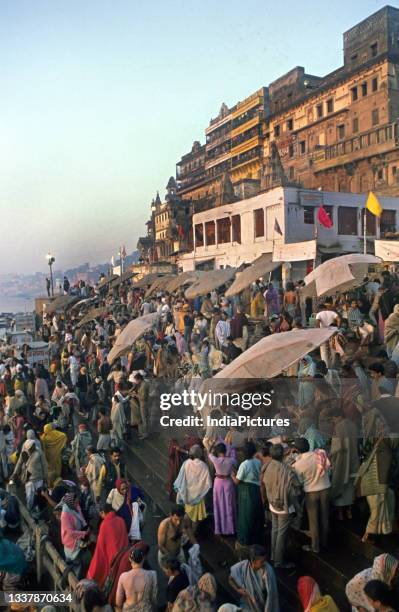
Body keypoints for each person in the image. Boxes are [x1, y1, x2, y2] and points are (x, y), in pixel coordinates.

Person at [262, 444, 300, 569]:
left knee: (275, 530)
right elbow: (296, 488)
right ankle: (279, 561)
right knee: (281, 535)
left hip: (272, 503)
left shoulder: (267, 466)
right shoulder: (287, 471)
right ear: (283, 454)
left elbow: (262, 484)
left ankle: (273, 555)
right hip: (284, 506)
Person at [292, 438, 331, 554]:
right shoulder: (320, 454)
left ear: (297, 450)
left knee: (313, 521)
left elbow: (299, 482)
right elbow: (328, 468)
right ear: (309, 445)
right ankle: (325, 542)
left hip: (311, 492)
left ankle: (315, 547)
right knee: (325, 517)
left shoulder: (298, 464)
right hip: (326, 489)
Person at [87, 502, 129, 589]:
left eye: (100, 513)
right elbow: (125, 539)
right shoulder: (121, 520)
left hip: (112, 561)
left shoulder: (104, 525)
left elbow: (100, 549)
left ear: (103, 512)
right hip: (124, 557)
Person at [229, 545, 279, 612]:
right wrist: (238, 589)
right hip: (248, 603)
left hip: (263, 604)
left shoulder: (268, 571)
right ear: (253, 561)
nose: (264, 563)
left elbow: (271, 596)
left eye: (265, 560)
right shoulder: (243, 566)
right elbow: (230, 578)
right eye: (261, 561)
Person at [329, 408, 359, 520]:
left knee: (340, 487)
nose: (333, 421)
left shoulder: (338, 427)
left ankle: (341, 514)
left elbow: (336, 447)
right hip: (353, 460)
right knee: (350, 488)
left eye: (333, 419)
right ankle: (349, 512)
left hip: (342, 461)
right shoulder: (353, 425)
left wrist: (330, 456)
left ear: (338, 417)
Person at [174, 445, 212, 530]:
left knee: (187, 515)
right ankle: (192, 535)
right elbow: (208, 484)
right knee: (195, 519)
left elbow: (180, 479)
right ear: (200, 454)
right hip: (198, 497)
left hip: (187, 495)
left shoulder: (186, 463)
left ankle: (186, 533)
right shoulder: (204, 466)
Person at [233, 441, 263, 547]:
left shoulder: (244, 464)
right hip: (256, 489)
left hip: (246, 491)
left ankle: (245, 540)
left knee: (245, 516)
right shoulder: (258, 462)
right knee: (255, 514)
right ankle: (256, 539)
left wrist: (233, 475)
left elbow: (237, 481)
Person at [115, 547, 158, 611]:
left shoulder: (123, 577)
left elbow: (118, 603)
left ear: (130, 559)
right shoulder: (152, 574)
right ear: (143, 559)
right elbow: (154, 600)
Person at [208, 442, 236, 536]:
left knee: (218, 505)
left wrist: (212, 445)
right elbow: (234, 455)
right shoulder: (231, 461)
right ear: (225, 451)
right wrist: (230, 449)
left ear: (218, 451)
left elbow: (209, 453)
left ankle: (219, 529)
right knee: (229, 505)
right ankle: (230, 529)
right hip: (228, 482)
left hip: (218, 483)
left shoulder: (215, 460)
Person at [12, 438, 48, 510]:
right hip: (29, 478)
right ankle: (29, 510)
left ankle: (38, 510)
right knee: (29, 496)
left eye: (33, 446)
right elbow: (19, 464)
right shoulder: (24, 453)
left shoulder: (39, 452)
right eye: (31, 447)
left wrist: (45, 477)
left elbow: (44, 465)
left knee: (39, 496)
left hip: (39, 478)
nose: (33, 447)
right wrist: (14, 473)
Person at [60, 491, 89, 578]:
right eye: (75, 502)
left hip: (78, 539)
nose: (77, 504)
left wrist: (86, 526)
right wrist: (84, 533)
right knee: (76, 565)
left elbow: (81, 518)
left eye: (77, 502)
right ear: (71, 502)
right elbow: (70, 533)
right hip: (71, 543)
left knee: (78, 563)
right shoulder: (65, 515)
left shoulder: (75, 507)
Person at [157, 505, 187, 571]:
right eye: (175, 519)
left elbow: (188, 529)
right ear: (171, 515)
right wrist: (171, 558)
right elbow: (161, 546)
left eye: (180, 520)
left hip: (179, 553)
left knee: (184, 572)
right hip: (167, 556)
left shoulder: (184, 520)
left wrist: (195, 544)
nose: (178, 523)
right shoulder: (164, 525)